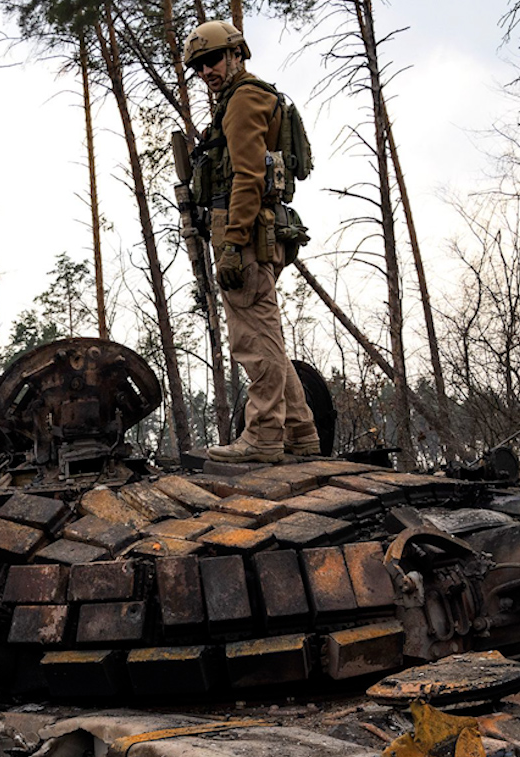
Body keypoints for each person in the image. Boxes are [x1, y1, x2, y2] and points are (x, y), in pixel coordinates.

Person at [186, 19, 320, 464]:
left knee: (252, 339)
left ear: (236, 54)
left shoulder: (243, 100)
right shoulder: (252, 97)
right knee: (268, 336)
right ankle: (299, 432)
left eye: (212, 59)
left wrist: (231, 244)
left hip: (243, 234)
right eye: (198, 66)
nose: (206, 71)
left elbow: (248, 176)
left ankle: (262, 434)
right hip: (256, 231)